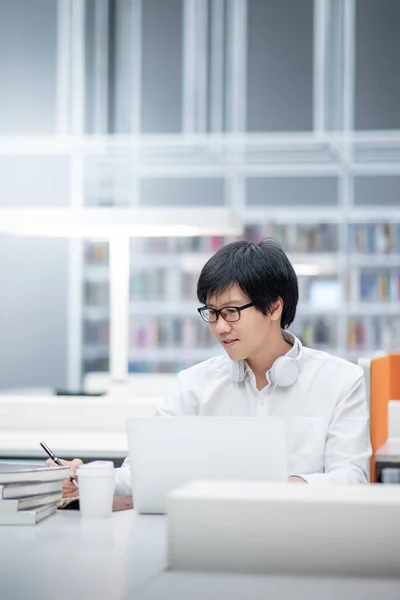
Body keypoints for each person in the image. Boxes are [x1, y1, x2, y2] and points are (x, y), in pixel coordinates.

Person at [47, 239, 371, 496]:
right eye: (212, 313)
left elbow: (352, 477)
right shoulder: (195, 384)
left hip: (302, 537)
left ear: (273, 307)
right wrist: (84, 477)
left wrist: (277, 490)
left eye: (230, 312)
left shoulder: (341, 381)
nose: (219, 328)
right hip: (206, 535)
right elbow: (145, 469)